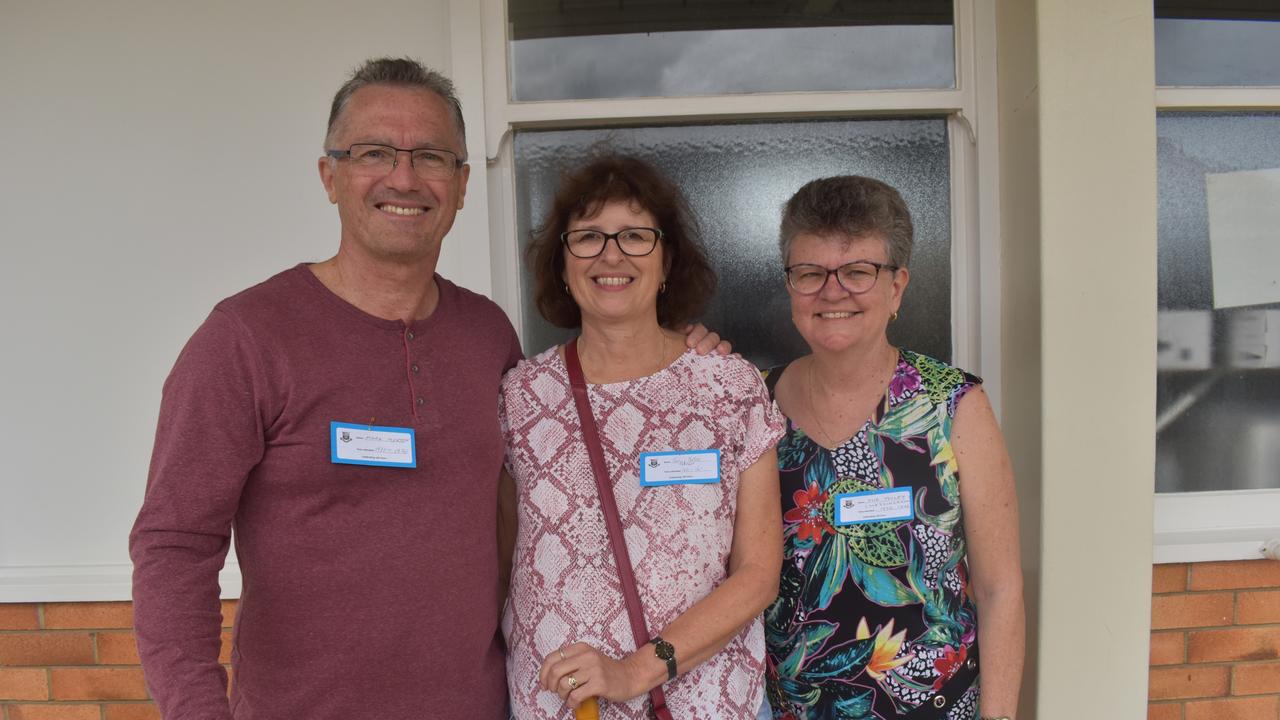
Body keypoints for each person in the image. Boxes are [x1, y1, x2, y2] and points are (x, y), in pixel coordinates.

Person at [129, 59, 722, 720]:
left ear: (462, 184)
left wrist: (687, 356)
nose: (404, 178)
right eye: (374, 152)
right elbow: (174, 547)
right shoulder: (246, 338)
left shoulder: (485, 335)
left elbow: (534, 506)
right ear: (330, 175)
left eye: (431, 156)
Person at [498, 155, 784, 719]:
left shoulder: (728, 388)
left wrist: (635, 671)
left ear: (667, 260)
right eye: (587, 237)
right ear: (561, 264)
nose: (611, 254)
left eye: (634, 235)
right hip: (556, 705)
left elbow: (757, 575)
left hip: (702, 703)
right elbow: (506, 559)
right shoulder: (519, 397)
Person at [762, 177, 1024, 720]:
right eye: (810, 273)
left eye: (859, 271)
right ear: (790, 286)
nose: (832, 292)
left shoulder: (953, 405)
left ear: (897, 287)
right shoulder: (753, 404)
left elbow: (1000, 590)